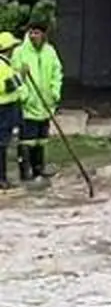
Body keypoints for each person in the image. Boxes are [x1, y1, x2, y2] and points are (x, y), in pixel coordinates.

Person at [12, 20, 63, 181]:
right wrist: (24, 95)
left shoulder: (50, 51)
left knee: (41, 140)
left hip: (46, 104)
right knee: (27, 140)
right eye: (32, 32)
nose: (35, 36)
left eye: (38, 33)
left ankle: (38, 168)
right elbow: (14, 79)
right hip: (28, 105)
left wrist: (55, 93)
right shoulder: (20, 52)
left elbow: (57, 73)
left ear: (44, 35)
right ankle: (25, 172)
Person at [0, 31, 23, 190]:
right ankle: (1, 178)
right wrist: (21, 77)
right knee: (1, 143)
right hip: (3, 108)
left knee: (4, 142)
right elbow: (4, 86)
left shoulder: (7, 63)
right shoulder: (1, 65)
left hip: (8, 108)